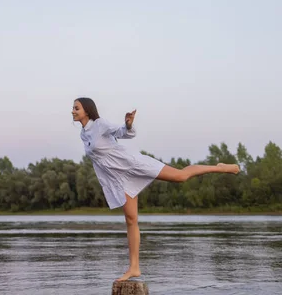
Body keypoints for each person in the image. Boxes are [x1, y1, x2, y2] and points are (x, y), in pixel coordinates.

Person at [72, 97, 240, 282]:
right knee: (130, 219)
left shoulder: (100, 124)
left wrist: (127, 125)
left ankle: (219, 167)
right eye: (73, 108)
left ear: (87, 110)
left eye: (76, 108)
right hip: (119, 178)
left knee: (180, 176)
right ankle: (134, 268)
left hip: (133, 164)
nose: (73, 111)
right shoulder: (83, 134)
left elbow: (122, 133)